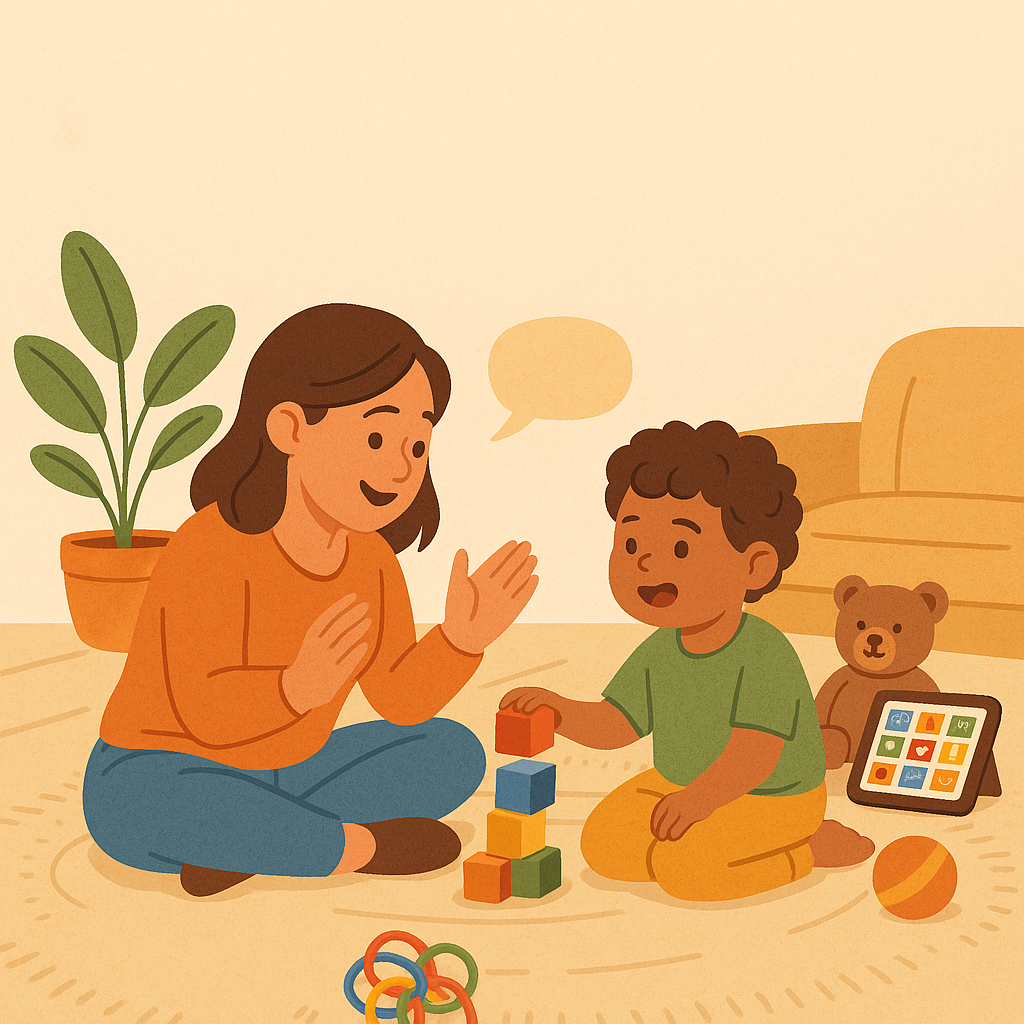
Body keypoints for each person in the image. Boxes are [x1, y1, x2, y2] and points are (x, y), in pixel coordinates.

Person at [83, 303, 538, 897]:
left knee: (451, 751)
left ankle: (252, 841)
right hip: (155, 767)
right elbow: (204, 711)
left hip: (289, 773)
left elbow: (399, 699)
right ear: (291, 428)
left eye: (418, 446)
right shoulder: (211, 545)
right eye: (377, 435)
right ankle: (353, 847)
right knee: (139, 809)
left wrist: (460, 641)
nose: (402, 467)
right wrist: (294, 687)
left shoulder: (372, 561)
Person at [501, 420, 872, 902]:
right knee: (604, 847)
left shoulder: (764, 652)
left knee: (690, 873)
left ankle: (806, 848)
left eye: (680, 547)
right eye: (631, 544)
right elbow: (618, 724)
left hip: (774, 797)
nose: (646, 564)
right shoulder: (660, 649)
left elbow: (754, 755)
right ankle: (716, 840)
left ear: (754, 565)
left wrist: (699, 802)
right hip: (677, 784)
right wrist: (559, 711)